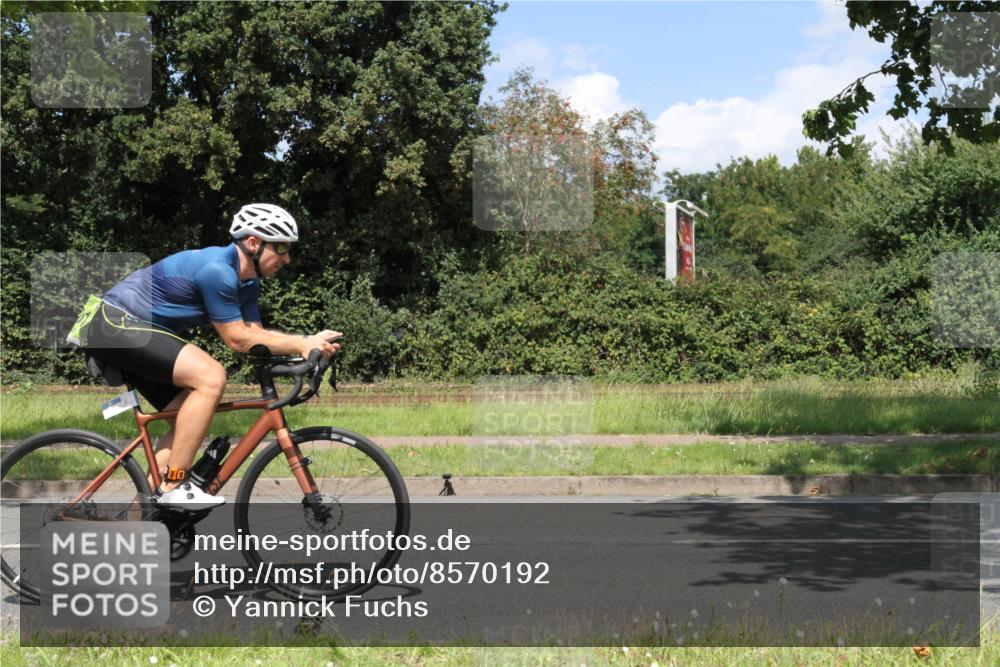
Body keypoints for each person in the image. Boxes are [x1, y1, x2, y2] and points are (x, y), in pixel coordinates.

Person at [78, 204, 341, 509]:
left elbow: (257, 337)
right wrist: (302, 342)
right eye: (281, 247)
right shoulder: (218, 271)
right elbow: (237, 338)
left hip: (134, 330)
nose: (287, 258)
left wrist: (309, 350)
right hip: (111, 322)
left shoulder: (248, 284)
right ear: (253, 243)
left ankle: (139, 519)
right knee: (211, 377)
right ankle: (173, 484)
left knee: (186, 420)